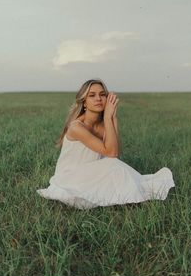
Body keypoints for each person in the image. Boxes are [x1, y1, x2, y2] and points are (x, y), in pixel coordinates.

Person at [37, 78, 175, 209]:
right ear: (84, 102)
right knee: (113, 165)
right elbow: (112, 153)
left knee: (114, 165)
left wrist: (113, 117)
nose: (98, 98)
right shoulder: (76, 127)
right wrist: (108, 117)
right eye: (92, 95)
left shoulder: (103, 124)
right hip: (69, 177)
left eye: (102, 94)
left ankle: (137, 196)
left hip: (91, 172)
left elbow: (116, 151)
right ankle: (138, 198)